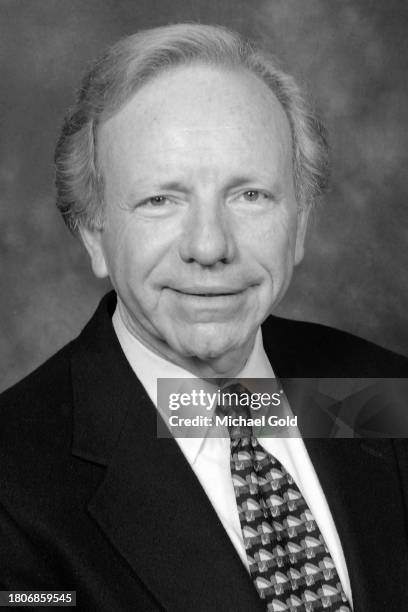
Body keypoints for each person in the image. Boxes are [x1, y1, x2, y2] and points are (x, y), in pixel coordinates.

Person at [1, 23, 407, 612]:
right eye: (161, 200)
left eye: (251, 195)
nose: (211, 246)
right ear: (94, 232)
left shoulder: (380, 393)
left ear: (300, 224)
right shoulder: (13, 481)